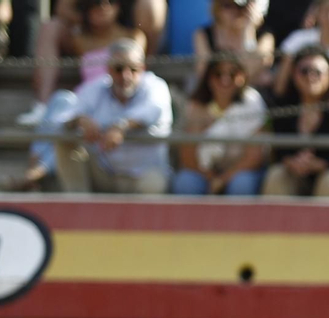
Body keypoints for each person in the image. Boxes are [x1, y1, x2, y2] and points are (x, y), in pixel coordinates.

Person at [32, 37, 173, 195]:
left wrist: (120, 127)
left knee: (152, 186)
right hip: (105, 172)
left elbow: (151, 110)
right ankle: (79, 206)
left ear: (142, 69)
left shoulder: (156, 86)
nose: (126, 76)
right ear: (109, 69)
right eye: (119, 69)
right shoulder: (97, 87)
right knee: (65, 142)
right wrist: (80, 120)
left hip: (145, 176)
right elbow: (62, 118)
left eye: (133, 69)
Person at [17, 0, 163, 126]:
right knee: (60, 102)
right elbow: (62, 9)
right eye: (95, 2)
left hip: (122, 103)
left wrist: (121, 126)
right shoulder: (80, 40)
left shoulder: (134, 37)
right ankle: (42, 109)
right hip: (89, 106)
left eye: (110, 1)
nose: (103, 6)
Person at [263, 44, 329, 197]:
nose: (311, 76)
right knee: (276, 175)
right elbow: (278, 150)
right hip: (295, 174)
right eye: (304, 71)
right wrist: (291, 161)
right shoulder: (284, 108)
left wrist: (321, 164)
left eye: (318, 72)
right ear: (293, 74)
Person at [172, 51, 267, 196]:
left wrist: (223, 180)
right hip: (203, 172)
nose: (225, 80)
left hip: (240, 171)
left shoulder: (252, 102)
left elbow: (254, 156)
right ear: (209, 78)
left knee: (241, 186)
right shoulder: (196, 107)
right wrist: (210, 177)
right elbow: (187, 156)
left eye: (232, 74)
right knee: (185, 183)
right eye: (218, 74)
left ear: (242, 76)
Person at [191, 0, 274, 91]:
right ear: (216, 7)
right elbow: (204, 74)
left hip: (251, 95)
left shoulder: (265, 36)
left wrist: (248, 30)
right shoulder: (203, 34)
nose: (235, 11)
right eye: (227, 5)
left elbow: (254, 67)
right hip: (214, 95)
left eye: (241, 6)